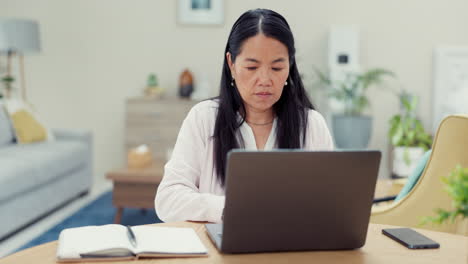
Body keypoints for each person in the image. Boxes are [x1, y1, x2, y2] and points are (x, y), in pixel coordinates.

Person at [155, 8, 334, 223]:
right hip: (217, 253)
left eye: (277, 68)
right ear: (231, 64)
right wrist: (233, 208)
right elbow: (168, 200)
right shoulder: (204, 118)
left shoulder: (312, 125)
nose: (265, 80)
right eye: (252, 67)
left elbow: (329, 204)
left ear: (290, 65)